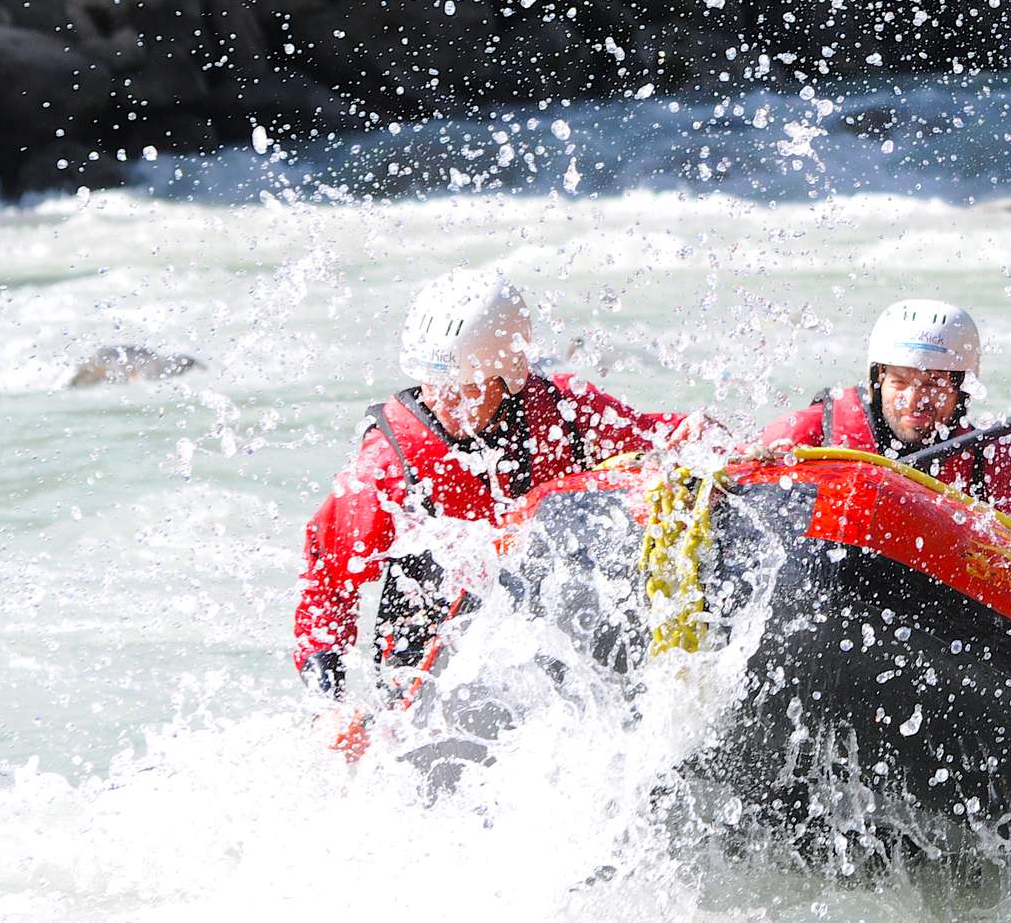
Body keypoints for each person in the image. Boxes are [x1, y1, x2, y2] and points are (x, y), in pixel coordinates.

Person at [295, 270, 704, 703]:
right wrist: (330, 704)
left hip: (560, 649)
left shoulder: (566, 414)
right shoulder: (387, 465)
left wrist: (694, 437)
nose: (443, 401)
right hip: (428, 687)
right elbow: (326, 582)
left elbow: (658, 439)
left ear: (509, 379)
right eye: (434, 385)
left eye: (461, 389)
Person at [759, 298, 1011, 560]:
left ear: (961, 391)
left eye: (932, 385)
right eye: (900, 383)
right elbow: (730, 472)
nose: (914, 400)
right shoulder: (815, 430)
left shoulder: (991, 464)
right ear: (877, 382)